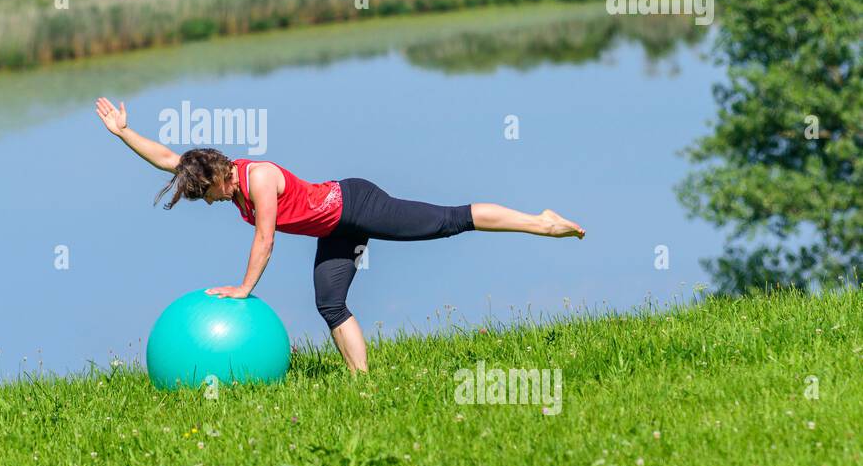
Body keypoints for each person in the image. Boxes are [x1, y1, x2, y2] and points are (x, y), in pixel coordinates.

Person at [96, 97, 584, 372]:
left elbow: (265, 240)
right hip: (334, 228)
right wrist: (123, 133)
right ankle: (363, 385)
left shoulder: (258, 178)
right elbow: (167, 159)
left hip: (357, 204)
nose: (210, 203)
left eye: (206, 196)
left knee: (445, 221)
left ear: (221, 178)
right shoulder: (218, 178)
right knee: (329, 303)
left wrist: (244, 289)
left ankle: (539, 221)